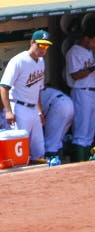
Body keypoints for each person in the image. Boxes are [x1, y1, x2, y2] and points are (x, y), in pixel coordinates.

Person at [0, 29, 51, 165]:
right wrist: (9, 111)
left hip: (33, 108)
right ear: (32, 42)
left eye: (46, 46)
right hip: (18, 107)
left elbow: (37, 89)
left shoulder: (41, 62)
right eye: (40, 45)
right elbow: (4, 87)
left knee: (39, 149)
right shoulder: (18, 60)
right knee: (19, 148)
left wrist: (40, 111)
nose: (43, 49)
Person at [65, 28, 95, 163]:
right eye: (93, 42)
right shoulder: (74, 51)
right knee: (81, 132)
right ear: (85, 38)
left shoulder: (88, 52)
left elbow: (88, 73)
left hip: (92, 91)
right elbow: (76, 75)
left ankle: (87, 164)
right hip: (80, 92)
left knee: (90, 131)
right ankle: (79, 164)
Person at [40, 87, 75, 166]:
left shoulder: (34, 94)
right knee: (57, 140)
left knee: (50, 143)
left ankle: (52, 166)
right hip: (68, 103)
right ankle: (59, 162)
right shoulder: (47, 91)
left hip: (57, 105)